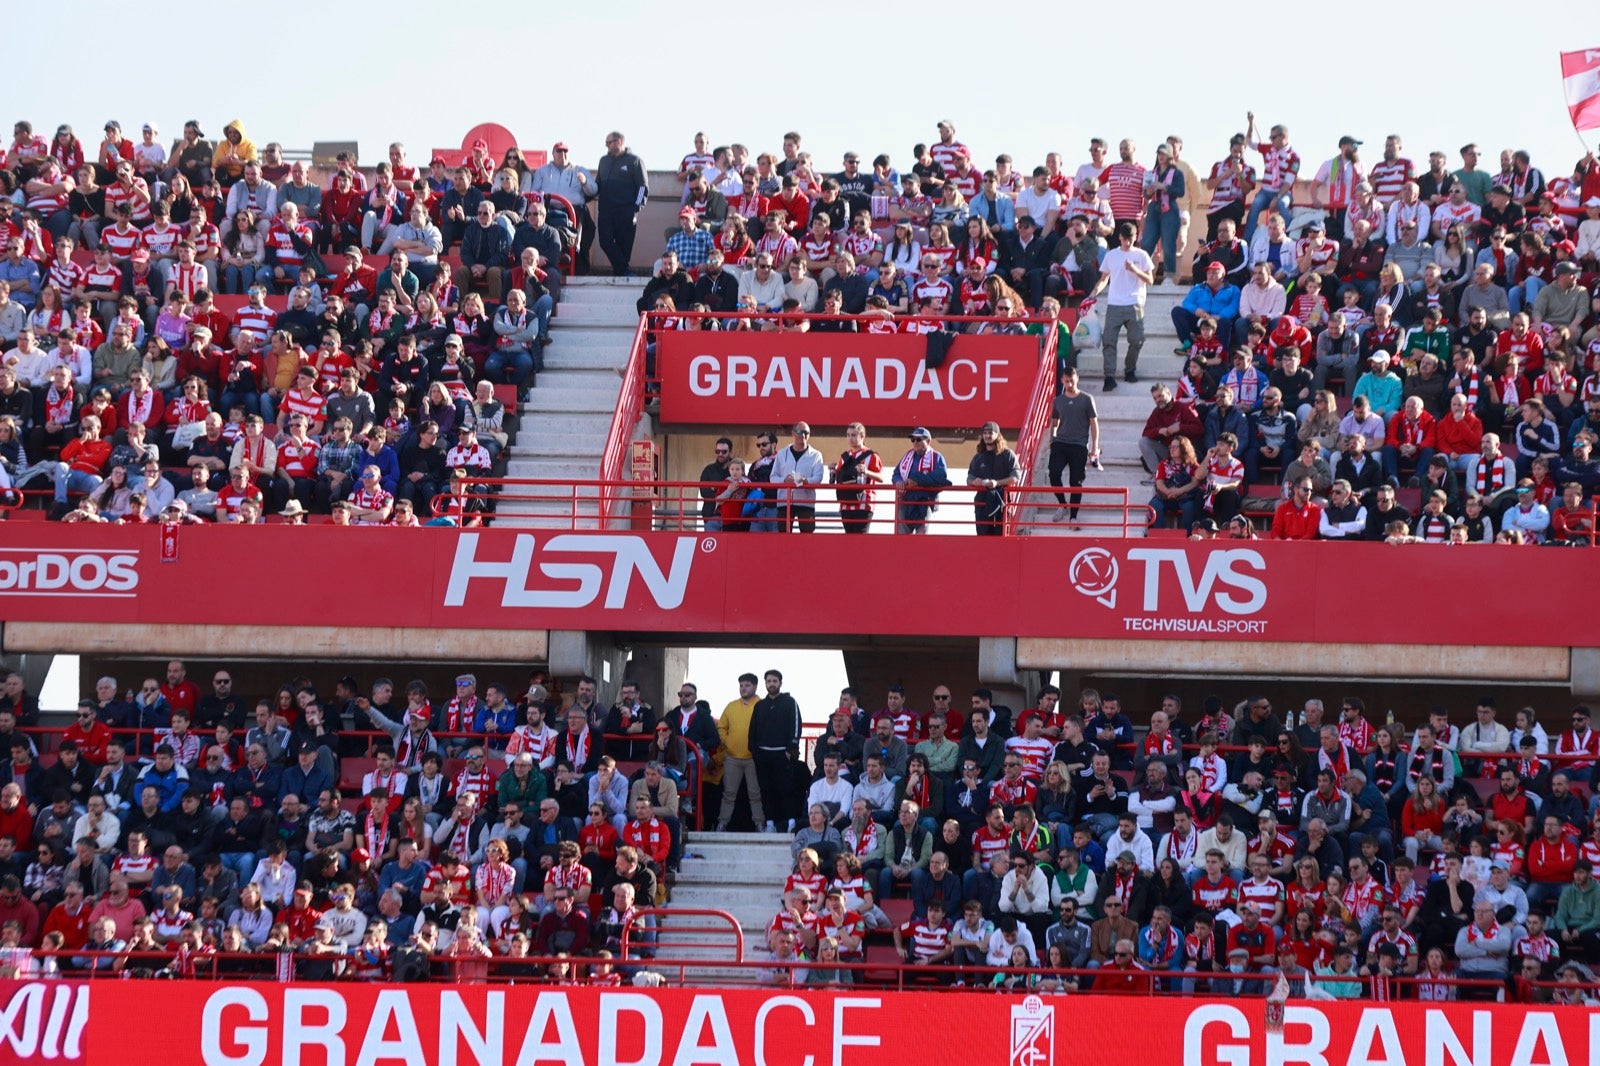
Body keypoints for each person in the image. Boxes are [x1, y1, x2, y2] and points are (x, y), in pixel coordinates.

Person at [1090, 221, 1154, 390]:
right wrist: (1093, 293)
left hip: (1135, 303)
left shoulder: (1141, 255)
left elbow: (1150, 280)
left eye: (1130, 239)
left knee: (1137, 340)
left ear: (1135, 237)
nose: (1127, 242)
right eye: (1125, 239)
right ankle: (1109, 376)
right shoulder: (1111, 255)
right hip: (1115, 304)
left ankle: (1130, 370)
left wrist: (1135, 270)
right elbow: (1104, 278)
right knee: (1109, 341)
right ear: (1119, 237)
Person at [1047, 367, 1100, 525]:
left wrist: (1094, 447)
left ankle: (1073, 516)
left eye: (1072, 380)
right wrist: (1052, 439)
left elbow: (1093, 423)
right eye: (1066, 381)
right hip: (1060, 443)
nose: (1069, 384)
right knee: (1054, 473)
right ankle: (1063, 505)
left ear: (1077, 378)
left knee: (1076, 481)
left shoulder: (1086, 399)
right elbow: (1054, 422)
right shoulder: (1058, 400)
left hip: (1079, 445)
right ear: (1062, 380)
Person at [596, 132, 647, 276]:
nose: (606, 146)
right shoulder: (603, 161)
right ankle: (624, 269)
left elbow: (642, 186)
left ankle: (621, 273)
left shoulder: (634, 161)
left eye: (608, 143)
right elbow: (598, 183)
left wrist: (635, 208)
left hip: (626, 210)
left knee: (624, 246)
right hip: (606, 210)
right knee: (605, 241)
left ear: (618, 142)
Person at [892, 427, 949, 534]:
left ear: (928, 441)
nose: (915, 442)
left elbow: (941, 477)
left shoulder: (936, 457)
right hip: (906, 500)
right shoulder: (907, 456)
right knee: (901, 538)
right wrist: (898, 480)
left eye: (919, 439)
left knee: (921, 537)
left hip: (925, 501)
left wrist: (918, 480)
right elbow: (896, 473)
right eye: (913, 440)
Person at [966, 421, 1017, 535]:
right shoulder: (978, 457)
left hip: (1002, 502)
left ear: (997, 435)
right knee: (983, 538)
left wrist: (997, 483)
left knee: (1002, 537)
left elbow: (1015, 476)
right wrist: (975, 481)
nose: (987, 436)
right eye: (985, 433)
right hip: (982, 503)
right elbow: (969, 479)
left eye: (990, 433)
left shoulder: (1007, 454)